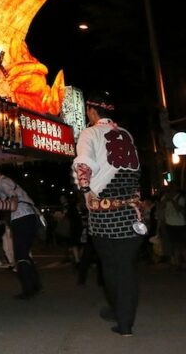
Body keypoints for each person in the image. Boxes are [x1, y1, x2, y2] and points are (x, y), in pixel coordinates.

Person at [71, 91, 145, 336]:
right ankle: (125, 318)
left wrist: (85, 191)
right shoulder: (126, 134)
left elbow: (83, 164)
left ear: (92, 112)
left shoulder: (90, 132)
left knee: (112, 268)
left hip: (106, 213)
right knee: (127, 269)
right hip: (132, 212)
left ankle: (121, 317)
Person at [0, 167, 41, 299]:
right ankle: (36, 285)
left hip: (22, 218)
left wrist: (10, 204)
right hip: (28, 217)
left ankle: (28, 289)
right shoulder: (4, 182)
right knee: (25, 253)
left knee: (20, 255)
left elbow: (12, 196)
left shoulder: (3, 182)